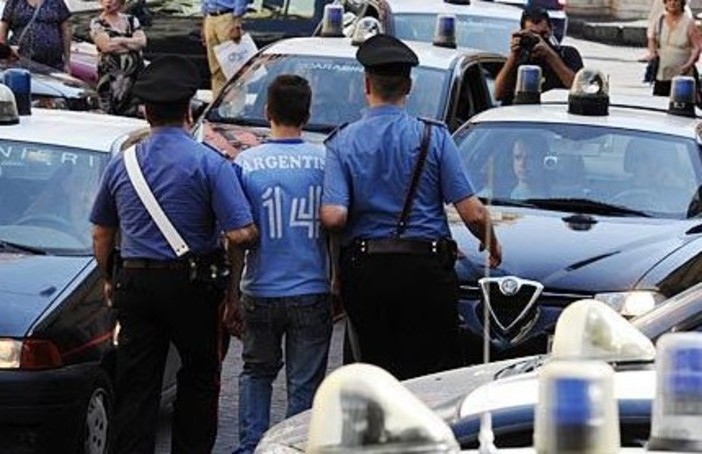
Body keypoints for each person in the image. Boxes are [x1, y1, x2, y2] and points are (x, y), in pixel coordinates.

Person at [89, 55, 258, 454]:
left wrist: (110, 278)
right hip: (194, 284)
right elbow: (240, 233)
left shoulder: (122, 164)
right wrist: (233, 290)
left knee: (136, 384)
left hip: (136, 281)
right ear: (189, 109)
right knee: (200, 378)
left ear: (146, 112)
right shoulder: (211, 164)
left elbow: (100, 232)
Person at [321, 34, 502, 380]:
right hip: (426, 271)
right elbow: (473, 213)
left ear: (366, 84)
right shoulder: (433, 137)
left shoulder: (342, 142)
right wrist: (491, 241)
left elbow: (334, 216)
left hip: (366, 270)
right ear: (409, 85)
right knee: (431, 377)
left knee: (371, 372)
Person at [230, 74, 334, 454]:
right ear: (307, 114)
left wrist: (230, 296)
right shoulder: (325, 161)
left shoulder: (246, 163)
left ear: (267, 112)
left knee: (256, 373)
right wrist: (336, 283)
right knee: (304, 388)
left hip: (259, 289)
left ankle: (250, 448)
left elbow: (236, 237)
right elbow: (336, 227)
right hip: (310, 288)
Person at [494, 6, 583, 105]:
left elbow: (577, 88)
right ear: (522, 32)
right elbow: (498, 94)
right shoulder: (517, 58)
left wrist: (550, 55)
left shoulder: (567, 54)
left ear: (550, 30)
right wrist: (514, 55)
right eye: (533, 34)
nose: (539, 39)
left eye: (543, 34)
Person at [90, 0, 147, 116]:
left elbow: (142, 42)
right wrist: (132, 44)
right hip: (112, 76)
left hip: (135, 76)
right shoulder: (98, 23)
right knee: (112, 109)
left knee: (135, 109)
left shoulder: (131, 20)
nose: (108, 2)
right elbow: (107, 47)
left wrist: (120, 40)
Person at [647, 0, 702, 97]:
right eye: (669, 0)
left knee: (681, 104)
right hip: (663, 74)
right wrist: (652, 52)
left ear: (681, 3)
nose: (672, 3)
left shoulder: (688, 22)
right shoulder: (660, 20)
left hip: (683, 77)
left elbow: (697, 47)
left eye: (676, 1)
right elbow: (652, 38)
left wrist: (689, 64)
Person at [0, 0, 71, 71]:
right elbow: (3, 30)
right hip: (20, 62)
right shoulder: (14, 2)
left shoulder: (56, 2)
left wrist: (67, 62)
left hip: (53, 64)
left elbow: (66, 31)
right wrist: (6, 55)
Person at [202, 0, 248, 96]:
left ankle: (237, 107)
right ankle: (217, 104)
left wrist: (237, 21)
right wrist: (204, 22)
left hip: (227, 17)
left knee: (234, 67)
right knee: (215, 69)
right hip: (210, 17)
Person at [510, 135, 549, 199]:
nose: (522, 164)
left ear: (542, 160)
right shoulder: (501, 198)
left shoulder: (558, 195)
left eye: (530, 158)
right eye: (517, 157)